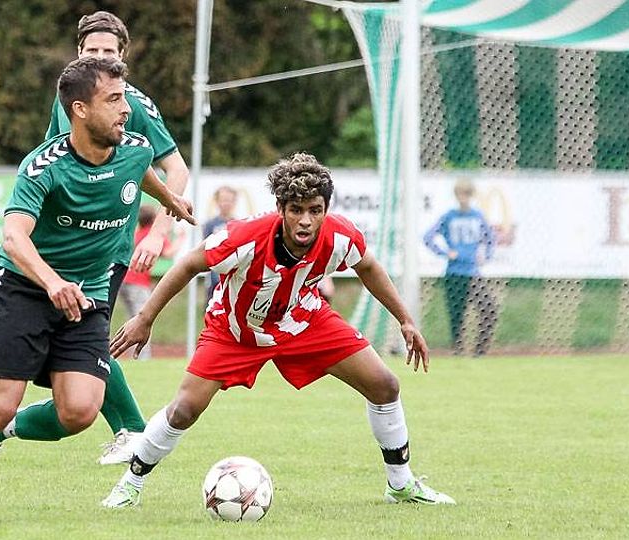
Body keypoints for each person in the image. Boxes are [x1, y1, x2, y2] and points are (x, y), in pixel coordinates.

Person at [0, 55, 194, 524]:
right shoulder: (43, 167)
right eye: (114, 100)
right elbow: (14, 238)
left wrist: (170, 200)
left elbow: (143, 174)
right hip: (26, 290)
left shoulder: (135, 149)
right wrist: (52, 281)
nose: (126, 109)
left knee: (79, 411)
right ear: (80, 109)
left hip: (88, 295)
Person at [101, 153, 455, 510]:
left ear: (326, 209)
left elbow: (369, 267)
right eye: (296, 210)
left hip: (303, 321)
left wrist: (405, 319)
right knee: (184, 410)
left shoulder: (340, 235)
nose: (306, 220)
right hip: (235, 331)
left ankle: (401, 485)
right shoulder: (243, 237)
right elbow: (189, 264)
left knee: (385, 385)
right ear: (280, 208)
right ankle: (130, 484)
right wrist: (145, 318)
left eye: (315, 210)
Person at [42, 10, 191, 463]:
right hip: (65, 242)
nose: (99, 56)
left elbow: (177, 170)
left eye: (109, 50)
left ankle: (130, 428)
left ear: (123, 56)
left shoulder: (135, 106)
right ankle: (2, 426)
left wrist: (157, 234)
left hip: (108, 244)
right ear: (78, 53)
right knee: (58, 343)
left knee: (83, 336)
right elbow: (51, 159)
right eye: (92, 50)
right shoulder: (69, 100)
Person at [423, 179, 498, 356]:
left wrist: (486, 255)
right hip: (454, 273)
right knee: (456, 316)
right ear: (456, 196)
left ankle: (480, 350)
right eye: (460, 194)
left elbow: (491, 238)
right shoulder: (449, 216)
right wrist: (445, 252)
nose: (463, 198)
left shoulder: (477, 216)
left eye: (466, 194)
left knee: (489, 309)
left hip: (473, 272)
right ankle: (458, 350)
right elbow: (428, 237)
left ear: (471, 196)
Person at [118, 205, 183, 360]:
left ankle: (129, 355)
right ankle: (141, 358)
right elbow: (168, 253)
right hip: (137, 283)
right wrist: (182, 237)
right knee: (143, 321)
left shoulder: (138, 234)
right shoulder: (152, 235)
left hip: (124, 281)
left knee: (132, 318)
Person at [202, 185, 238, 301]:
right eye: (223, 200)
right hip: (214, 274)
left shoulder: (239, 224)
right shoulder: (210, 225)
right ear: (217, 202)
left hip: (233, 274)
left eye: (229, 200)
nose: (226, 204)